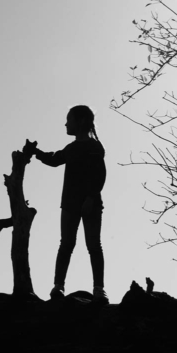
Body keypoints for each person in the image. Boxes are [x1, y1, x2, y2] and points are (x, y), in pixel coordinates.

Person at [29, 105, 107, 302]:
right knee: (66, 244)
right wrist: (35, 152)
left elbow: (100, 175)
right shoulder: (71, 149)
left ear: (79, 121)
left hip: (91, 204)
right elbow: (55, 160)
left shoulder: (94, 147)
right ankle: (58, 287)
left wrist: (90, 197)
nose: (66, 123)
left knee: (93, 245)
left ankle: (98, 290)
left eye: (69, 119)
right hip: (70, 204)